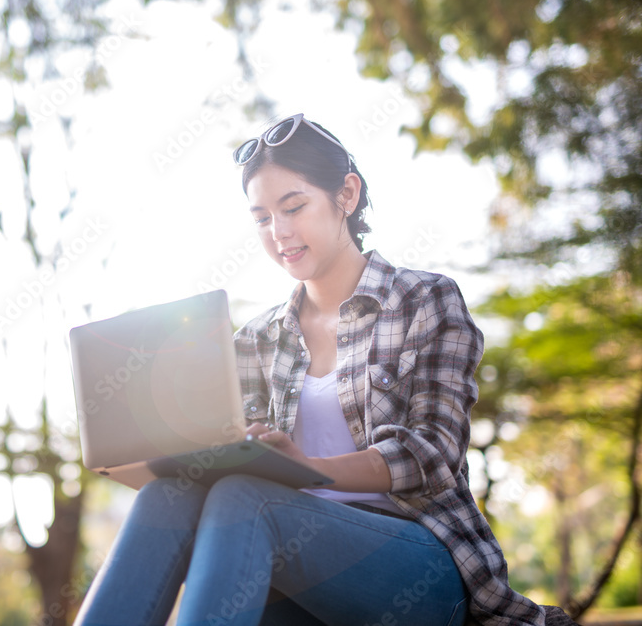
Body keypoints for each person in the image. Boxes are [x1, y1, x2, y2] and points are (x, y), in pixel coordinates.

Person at [72, 114, 546, 626]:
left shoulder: (424, 299)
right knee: (169, 494)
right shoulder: (253, 341)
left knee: (243, 498)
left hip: (418, 562)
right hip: (288, 559)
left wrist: (309, 471)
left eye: (293, 207)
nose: (279, 233)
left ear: (346, 194)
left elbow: (432, 455)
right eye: (261, 218)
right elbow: (227, 455)